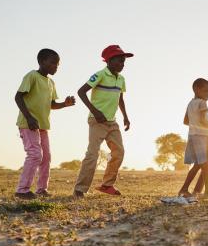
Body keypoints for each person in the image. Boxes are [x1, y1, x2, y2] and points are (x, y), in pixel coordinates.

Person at [14, 48, 75, 199]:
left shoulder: (51, 82)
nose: (56, 66)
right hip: (28, 124)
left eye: (58, 64)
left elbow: (52, 104)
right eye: (53, 62)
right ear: (42, 62)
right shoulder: (32, 76)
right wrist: (29, 117)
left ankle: (41, 189)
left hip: (42, 126)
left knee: (46, 157)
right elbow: (18, 97)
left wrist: (65, 104)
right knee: (35, 154)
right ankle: (22, 190)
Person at [73, 45, 133, 197]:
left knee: (119, 152)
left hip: (112, 123)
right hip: (97, 121)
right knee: (92, 153)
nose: (122, 64)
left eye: (124, 62)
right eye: (119, 61)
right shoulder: (100, 75)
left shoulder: (121, 79)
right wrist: (95, 111)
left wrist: (125, 116)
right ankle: (80, 189)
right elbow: (81, 92)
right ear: (109, 61)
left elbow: (120, 98)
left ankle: (107, 185)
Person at [178, 78, 208, 199]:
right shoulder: (202, 103)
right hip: (202, 137)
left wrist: (195, 124)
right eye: (205, 91)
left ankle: (184, 189)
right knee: (205, 166)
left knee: (197, 165)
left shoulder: (190, 103)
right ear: (196, 89)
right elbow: (203, 121)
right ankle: (207, 193)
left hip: (192, 135)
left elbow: (185, 121)